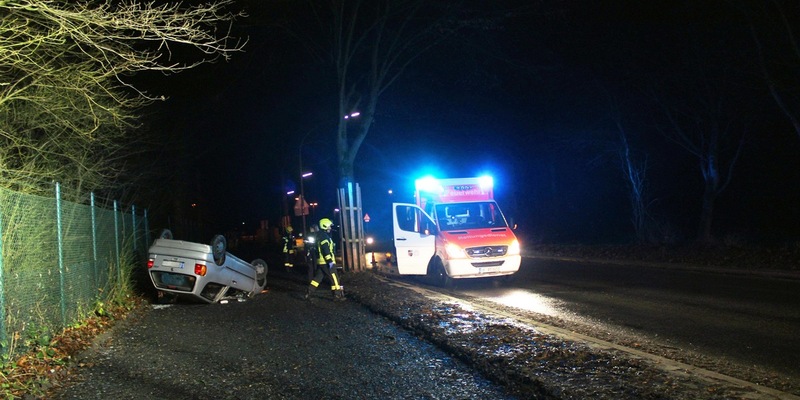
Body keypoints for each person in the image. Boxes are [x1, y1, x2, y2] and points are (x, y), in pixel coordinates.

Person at [304, 218, 344, 301]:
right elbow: (325, 250)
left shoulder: (321, 235)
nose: (330, 228)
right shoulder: (324, 237)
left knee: (318, 278)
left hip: (321, 262)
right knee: (334, 277)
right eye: (329, 226)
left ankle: (309, 292)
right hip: (326, 262)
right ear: (324, 226)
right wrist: (330, 261)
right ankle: (337, 295)